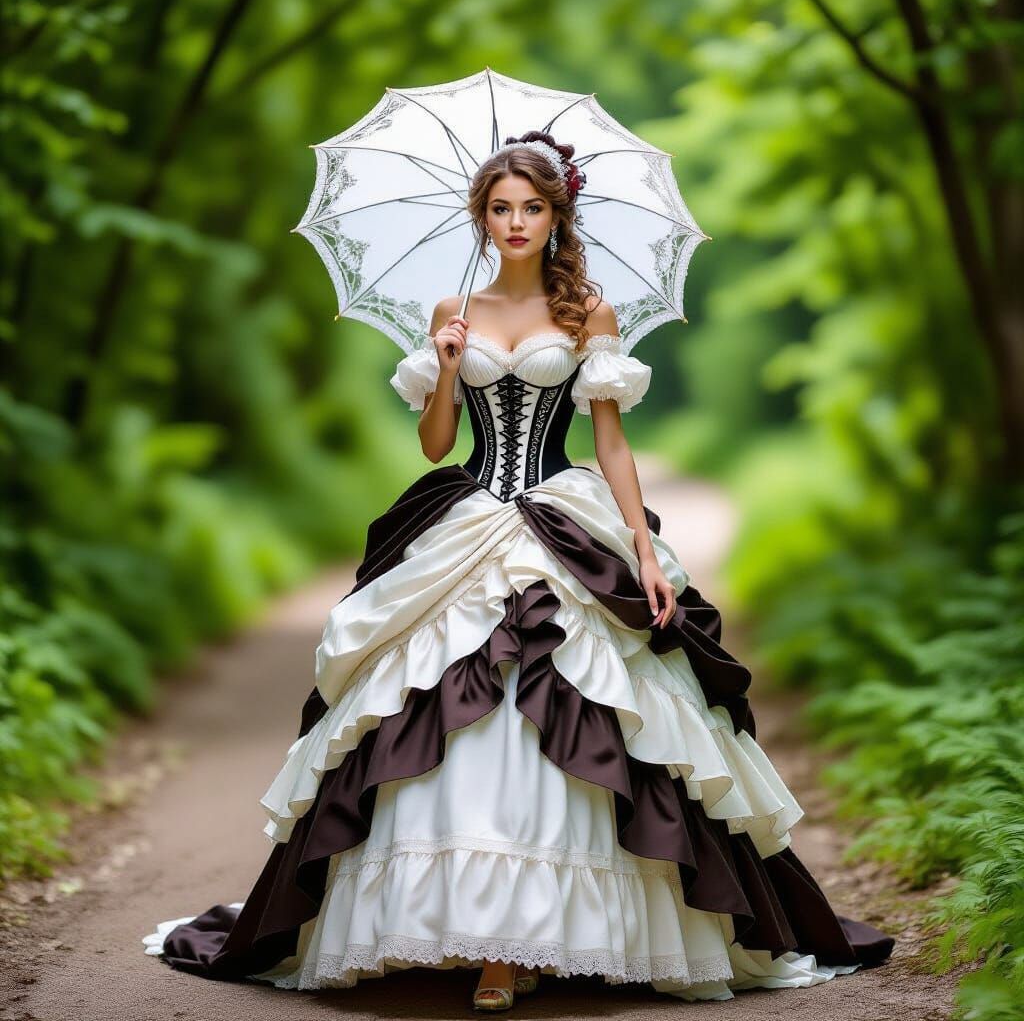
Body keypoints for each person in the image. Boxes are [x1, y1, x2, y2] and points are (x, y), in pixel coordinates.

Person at [142, 131, 895, 1010]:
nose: (515, 222)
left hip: (562, 518)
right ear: (481, 216)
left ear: (555, 213)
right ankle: (461, 929)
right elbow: (435, 445)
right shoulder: (449, 311)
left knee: (588, 702)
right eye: (500, 208)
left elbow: (610, 442)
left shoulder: (591, 316)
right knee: (427, 703)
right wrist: (447, 370)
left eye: (531, 208)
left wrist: (645, 552)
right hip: (468, 516)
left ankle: (538, 940)